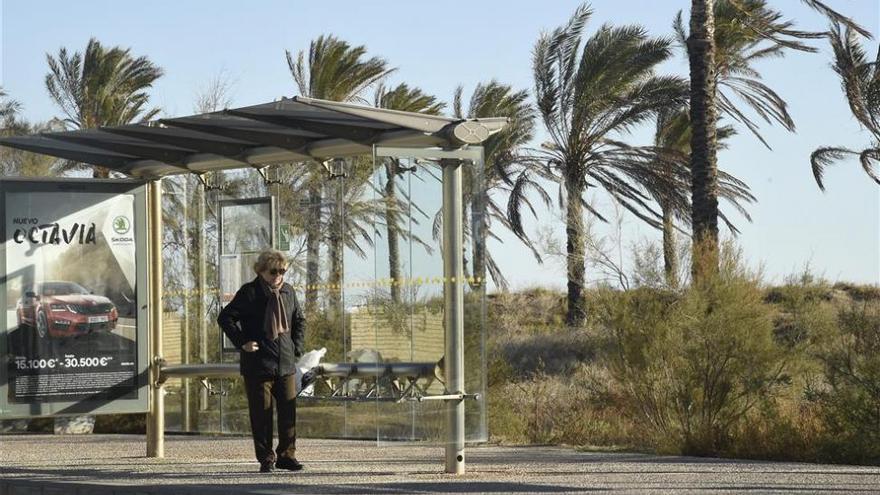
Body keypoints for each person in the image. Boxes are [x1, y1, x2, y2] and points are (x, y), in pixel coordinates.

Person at [218, 249, 305, 473]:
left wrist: (296, 348)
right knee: (262, 415)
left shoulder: (288, 291)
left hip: (285, 364)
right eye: (273, 271)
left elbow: (299, 320)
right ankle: (266, 458)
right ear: (261, 271)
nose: (278, 275)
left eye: (282, 271)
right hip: (258, 365)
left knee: (288, 413)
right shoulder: (250, 292)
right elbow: (225, 317)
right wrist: (242, 342)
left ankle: (286, 456)